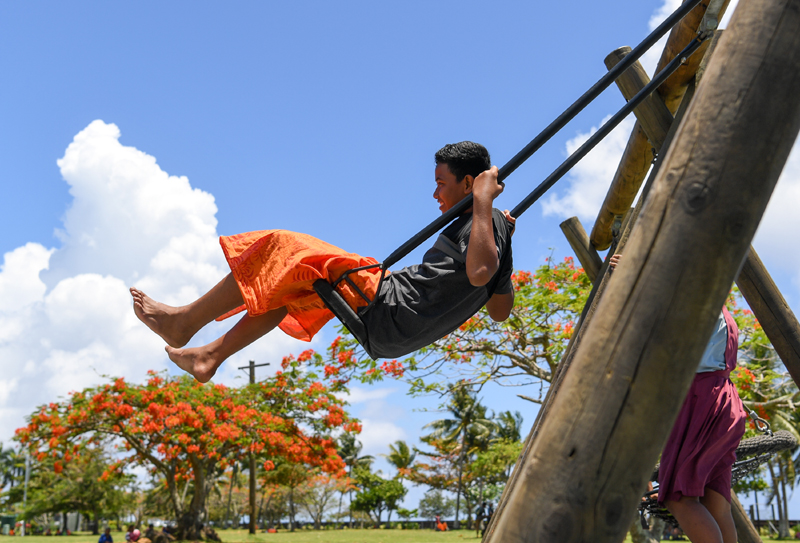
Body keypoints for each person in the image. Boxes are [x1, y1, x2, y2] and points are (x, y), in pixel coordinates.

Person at [131, 142, 516, 381]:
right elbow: (499, 308)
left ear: (470, 184)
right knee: (292, 283)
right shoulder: (492, 230)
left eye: (442, 183)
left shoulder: (485, 217)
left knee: (282, 247)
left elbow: (481, 275)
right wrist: (503, 245)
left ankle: (185, 321)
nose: (435, 193)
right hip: (392, 325)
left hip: (390, 304)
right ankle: (209, 355)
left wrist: (484, 205)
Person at [609, 254, 746, 543]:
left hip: (702, 401)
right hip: (725, 402)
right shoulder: (722, 312)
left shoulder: (699, 302)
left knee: (679, 498)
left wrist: (636, 273)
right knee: (716, 503)